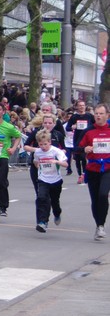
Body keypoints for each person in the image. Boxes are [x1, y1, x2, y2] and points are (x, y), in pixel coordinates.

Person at [79, 103, 110, 241]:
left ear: (107, 115)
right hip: (92, 169)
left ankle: (101, 225)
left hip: (108, 169)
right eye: (96, 113)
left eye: (101, 113)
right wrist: (84, 149)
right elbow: (77, 148)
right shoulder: (88, 131)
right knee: (95, 198)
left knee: (103, 194)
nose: (98, 116)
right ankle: (98, 225)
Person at [32, 129, 68, 233]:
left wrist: (56, 161)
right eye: (41, 144)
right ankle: (43, 222)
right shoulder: (37, 152)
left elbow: (66, 164)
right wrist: (38, 165)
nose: (43, 147)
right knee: (42, 198)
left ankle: (57, 213)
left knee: (54, 201)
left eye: (45, 144)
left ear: (50, 142)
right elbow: (35, 161)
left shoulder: (56, 151)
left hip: (56, 180)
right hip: (43, 179)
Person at [65, 100, 94, 184]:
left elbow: (95, 125)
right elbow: (67, 128)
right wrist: (73, 127)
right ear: (77, 107)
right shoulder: (74, 117)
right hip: (77, 139)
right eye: (80, 105)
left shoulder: (89, 116)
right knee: (77, 158)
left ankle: (84, 174)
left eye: (83, 105)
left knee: (83, 157)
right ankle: (80, 175)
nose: (81, 107)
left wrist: (90, 129)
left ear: (85, 106)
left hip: (87, 139)